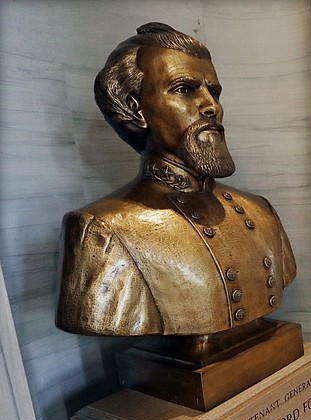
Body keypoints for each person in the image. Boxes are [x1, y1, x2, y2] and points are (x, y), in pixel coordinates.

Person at [56, 23, 296, 337]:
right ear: (135, 108)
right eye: (185, 89)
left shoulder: (260, 212)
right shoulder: (102, 230)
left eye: (214, 91)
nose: (212, 106)